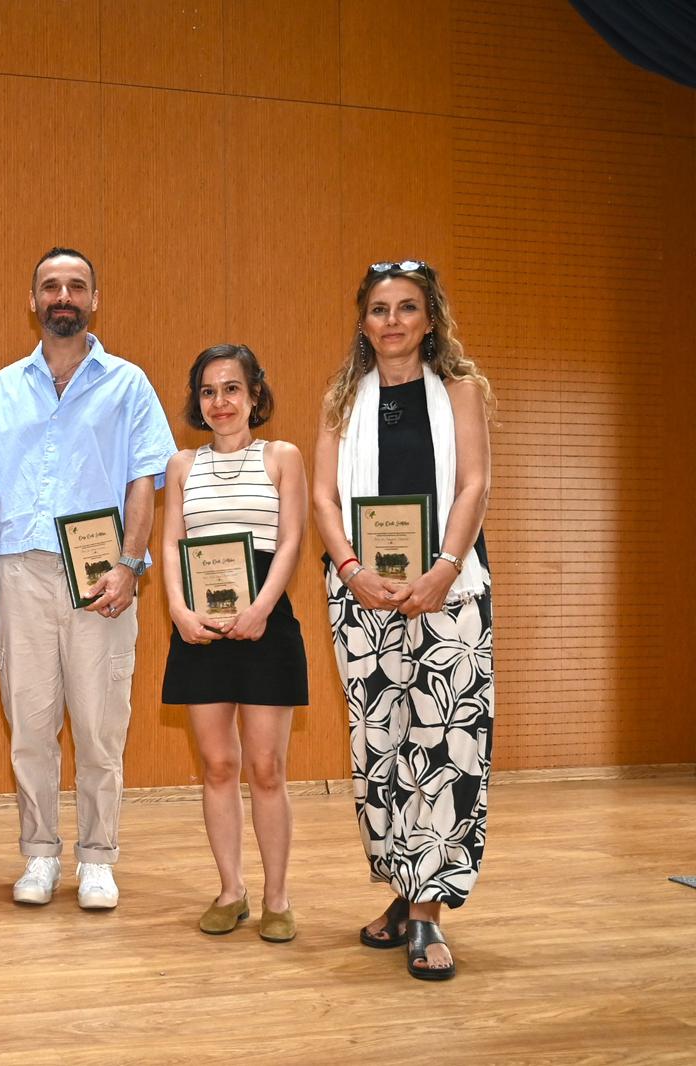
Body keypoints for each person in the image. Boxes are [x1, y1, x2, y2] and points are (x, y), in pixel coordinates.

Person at [0, 247, 175, 910]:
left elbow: (143, 482)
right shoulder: (1, 390)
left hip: (101, 575)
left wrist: (130, 564)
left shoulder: (129, 384)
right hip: (19, 570)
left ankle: (96, 858)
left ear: (94, 299)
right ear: (32, 302)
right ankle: (38, 856)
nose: (64, 296)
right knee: (29, 724)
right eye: (51, 286)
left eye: (77, 286)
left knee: (98, 724)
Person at [312, 259, 495, 981]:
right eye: (380, 309)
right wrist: (354, 571)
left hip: (450, 587)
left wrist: (444, 567)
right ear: (364, 322)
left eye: (407, 308)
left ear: (429, 319)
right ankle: (400, 889)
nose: (392, 321)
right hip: (362, 596)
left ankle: (427, 915)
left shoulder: (460, 392)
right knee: (381, 750)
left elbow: (476, 481)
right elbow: (325, 500)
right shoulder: (340, 402)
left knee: (446, 747)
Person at [159, 345, 307, 943]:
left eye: (231, 389)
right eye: (208, 392)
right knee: (219, 765)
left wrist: (262, 608)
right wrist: (177, 609)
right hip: (199, 626)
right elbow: (171, 544)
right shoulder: (180, 465)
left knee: (267, 769)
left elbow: (293, 540)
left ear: (254, 395)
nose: (220, 402)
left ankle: (276, 898)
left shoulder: (282, 457)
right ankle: (231, 891)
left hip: (265, 623)